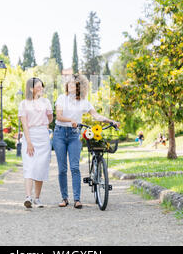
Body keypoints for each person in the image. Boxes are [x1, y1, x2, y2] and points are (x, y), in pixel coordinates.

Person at [53, 74, 119, 209]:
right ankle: (64, 198)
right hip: (59, 133)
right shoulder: (61, 98)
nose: (70, 85)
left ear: (80, 87)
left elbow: (96, 115)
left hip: (74, 135)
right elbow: (59, 116)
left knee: (75, 167)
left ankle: (77, 199)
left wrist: (111, 121)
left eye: (74, 84)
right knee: (62, 169)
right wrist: (71, 121)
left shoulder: (84, 101)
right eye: (69, 83)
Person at [18, 77, 53, 208]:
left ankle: (37, 198)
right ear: (31, 89)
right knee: (29, 166)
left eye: (41, 86)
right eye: (38, 87)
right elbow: (24, 124)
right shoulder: (23, 104)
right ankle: (28, 197)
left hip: (43, 135)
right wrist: (29, 142)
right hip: (30, 135)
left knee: (41, 167)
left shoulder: (46, 102)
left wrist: (46, 116)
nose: (41, 89)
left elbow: (50, 119)